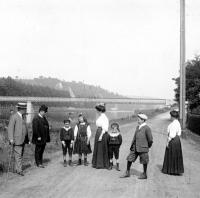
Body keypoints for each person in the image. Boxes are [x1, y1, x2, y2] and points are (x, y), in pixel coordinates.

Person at [121, 113, 153, 179]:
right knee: (129, 158)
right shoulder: (138, 127)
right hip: (135, 147)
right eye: (137, 119)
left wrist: (147, 146)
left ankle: (144, 174)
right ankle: (127, 172)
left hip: (143, 148)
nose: (137, 121)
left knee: (144, 160)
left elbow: (150, 140)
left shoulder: (147, 128)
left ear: (143, 120)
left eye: (139, 119)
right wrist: (132, 145)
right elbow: (134, 137)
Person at [8, 103, 29, 176]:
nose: (26, 110)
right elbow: (10, 128)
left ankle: (17, 169)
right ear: (21, 109)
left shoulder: (23, 117)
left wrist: (27, 139)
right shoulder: (14, 117)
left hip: (22, 140)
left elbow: (25, 128)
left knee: (20, 155)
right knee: (18, 155)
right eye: (25, 109)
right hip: (16, 140)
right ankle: (19, 170)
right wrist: (11, 139)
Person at [162, 110, 184, 175]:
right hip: (177, 140)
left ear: (173, 117)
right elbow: (179, 133)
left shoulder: (173, 124)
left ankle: (171, 170)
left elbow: (171, 135)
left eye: (171, 116)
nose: (170, 117)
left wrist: (167, 142)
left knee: (171, 154)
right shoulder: (177, 122)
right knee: (176, 155)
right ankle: (176, 170)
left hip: (173, 140)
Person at [92, 103, 109, 169]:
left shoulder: (104, 117)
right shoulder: (100, 116)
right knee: (98, 147)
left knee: (101, 148)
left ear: (100, 111)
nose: (96, 111)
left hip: (102, 133)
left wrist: (101, 136)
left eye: (97, 110)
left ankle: (101, 164)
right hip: (99, 132)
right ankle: (97, 163)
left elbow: (105, 128)